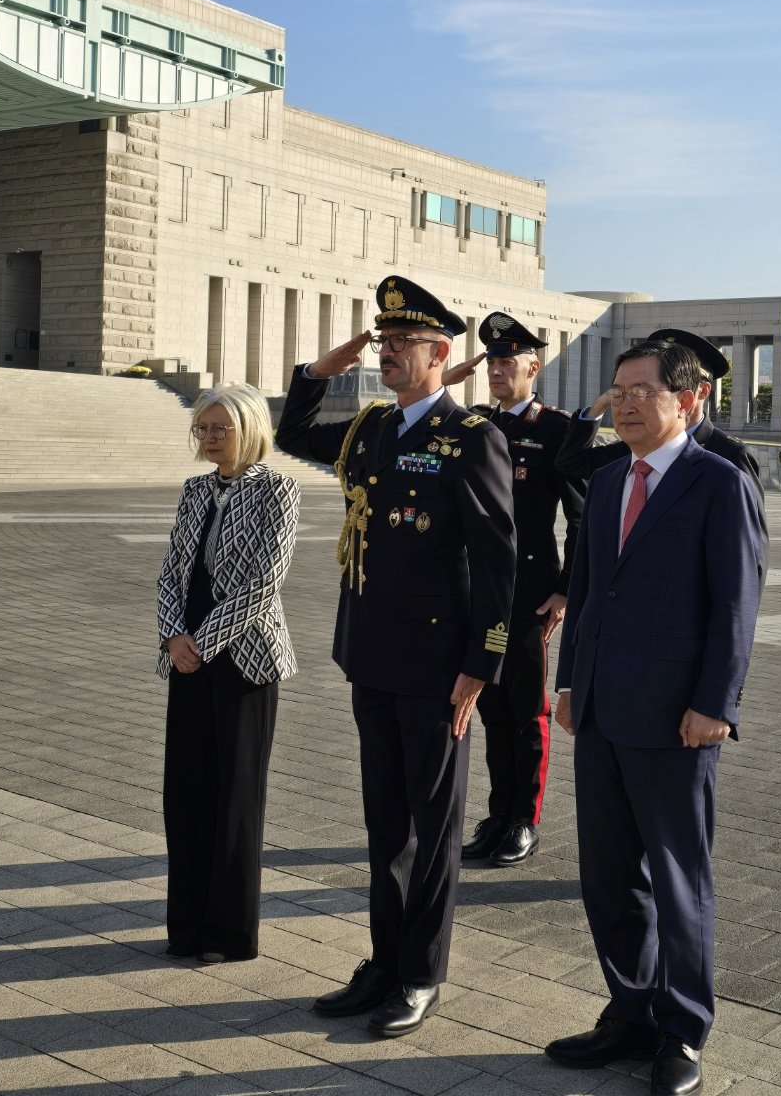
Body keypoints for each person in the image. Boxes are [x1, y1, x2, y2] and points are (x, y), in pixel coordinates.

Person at [275, 274, 516, 1038]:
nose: (386, 353)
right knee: (386, 824)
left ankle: (420, 973)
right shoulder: (373, 429)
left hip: (440, 667)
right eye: (382, 342)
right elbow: (290, 435)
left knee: (434, 825)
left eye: (401, 343)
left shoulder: (473, 437)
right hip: (372, 656)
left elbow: (499, 561)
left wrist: (483, 663)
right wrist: (322, 370)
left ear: (441, 353)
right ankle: (382, 961)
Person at [547, 340, 762, 1096]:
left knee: (677, 880)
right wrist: (570, 684)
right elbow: (588, 590)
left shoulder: (718, 483)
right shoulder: (608, 481)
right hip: (602, 710)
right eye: (619, 390)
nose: (626, 403)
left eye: (642, 390)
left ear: (689, 401)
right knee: (607, 876)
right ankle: (629, 1011)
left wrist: (716, 705)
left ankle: (682, 1030)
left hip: (678, 720)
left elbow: (736, 606)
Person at [157, 383, 300, 964]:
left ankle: (227, 934)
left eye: (221, 428)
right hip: (186, 657)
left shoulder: (279, 490)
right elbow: (171, 572)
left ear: (250, 428)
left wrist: (204, 643)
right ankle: (185, 926)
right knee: (186, 791)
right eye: (203, 429)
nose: (211, 439)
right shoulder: (194, 491)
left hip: (244, 659)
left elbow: (264, 583)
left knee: (236, 797)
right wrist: (173, 638)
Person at [443, 313, 586, 866]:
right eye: (492, 362)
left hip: (529, 593)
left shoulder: (555, 431)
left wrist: (565, 590)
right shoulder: (473, 422)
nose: (499, 370)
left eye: (510, 361)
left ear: (534, 366)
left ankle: (523, 818)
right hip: (476, 592)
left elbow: (582, 519)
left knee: (525, 710)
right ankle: (497, 813)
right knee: (489, 706)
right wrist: (450, 380)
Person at [555, 328, 767, 569]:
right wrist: (600, 407)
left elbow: (749, 557)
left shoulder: (728, 456)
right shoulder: (635, 446)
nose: (629, 404)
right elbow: (571, 463)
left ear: (699, 391)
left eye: (644, 391)